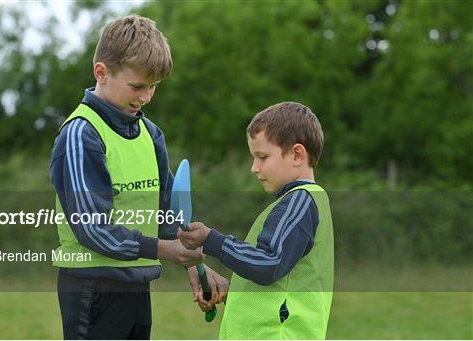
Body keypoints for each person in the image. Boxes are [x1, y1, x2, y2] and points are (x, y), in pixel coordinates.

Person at [50, 15, 227, 340]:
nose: (146, 97)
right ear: (101, 72)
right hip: (92, 287)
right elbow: (92, 227)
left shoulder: (151, 134)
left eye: (153, 87)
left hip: (137, 284)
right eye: (137, 86)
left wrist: (193, 264)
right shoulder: (81, 134)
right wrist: (165, 250)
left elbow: (167, 215)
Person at [178, 102, 334, 339]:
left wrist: (212, 241)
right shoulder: (299, 202)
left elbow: (269, 264)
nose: (254, 168)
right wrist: (231, 292)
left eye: (262, 157)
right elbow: (277, 284)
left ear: (296, 154)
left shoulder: (299, 202)